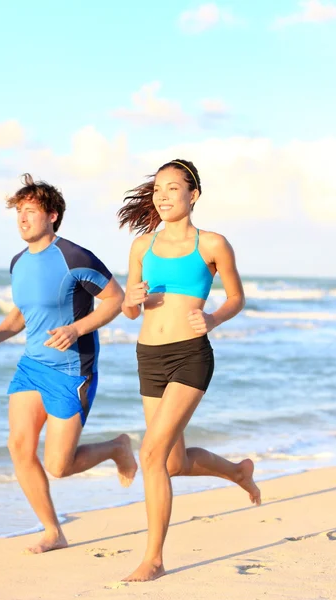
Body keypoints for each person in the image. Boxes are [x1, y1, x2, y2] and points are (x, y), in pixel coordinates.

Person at [0, 174, 137, 554]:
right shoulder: (19, 262)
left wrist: (76, 328)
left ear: (53, 215)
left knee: (59, 466)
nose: (22, 219)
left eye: (30, 211)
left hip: (70, 371)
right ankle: (53, 531)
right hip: (32, 366)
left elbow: (116, 299)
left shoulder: (75, 257)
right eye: (19, 212)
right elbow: (23, 314)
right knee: (18, 446)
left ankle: (117, 447)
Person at [118, 159, 261, 581]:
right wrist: (131, 298)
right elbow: (128, 310)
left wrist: (214, 319)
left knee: (150, 454)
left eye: (172, 188)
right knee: (173, 462)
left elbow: (236, 297)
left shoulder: (212, 244)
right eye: (157, 189)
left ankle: (154, 560)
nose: (162, 196)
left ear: (192, 194)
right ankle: (238, 472)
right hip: (148, 356)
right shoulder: (142, 246)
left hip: (190, 356)